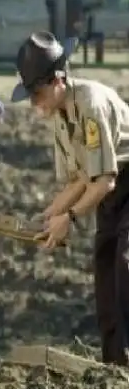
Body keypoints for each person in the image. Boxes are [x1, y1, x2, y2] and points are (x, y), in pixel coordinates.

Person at [10, 31, 129, 366]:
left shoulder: (90, 103)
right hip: (110, 189)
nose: (34, 104)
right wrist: (48, 215)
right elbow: (80, 178)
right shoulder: (60, 115)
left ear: (58, 80)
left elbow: (104, 179)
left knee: (125, 266)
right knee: (105, 271)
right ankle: (115, 366)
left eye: (37, 93)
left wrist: (71, 219)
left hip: (121, 179)